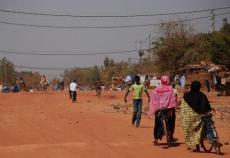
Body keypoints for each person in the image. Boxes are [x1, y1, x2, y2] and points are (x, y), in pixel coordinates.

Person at [180, 81, 216, 152]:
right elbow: (206, 106)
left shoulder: (186, 96)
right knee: (207, 123)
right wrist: (208, 110)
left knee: (192, 129)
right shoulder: (202, 95)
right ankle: (212, 138)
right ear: (199, 87)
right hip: (200, 116)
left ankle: (197, 147)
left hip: (189, 118)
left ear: (191, 87)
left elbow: (183, 108)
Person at [148, 76, 177, 146]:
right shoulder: (170, 88)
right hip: (168, 108)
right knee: (171, 122)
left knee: (157, 123)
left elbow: (153, 98)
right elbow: (172, 99)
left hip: (159, 108)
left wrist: (156, 106)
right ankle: (170, 136)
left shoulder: (157, 89)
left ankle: (156, 139)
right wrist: (172, 107)